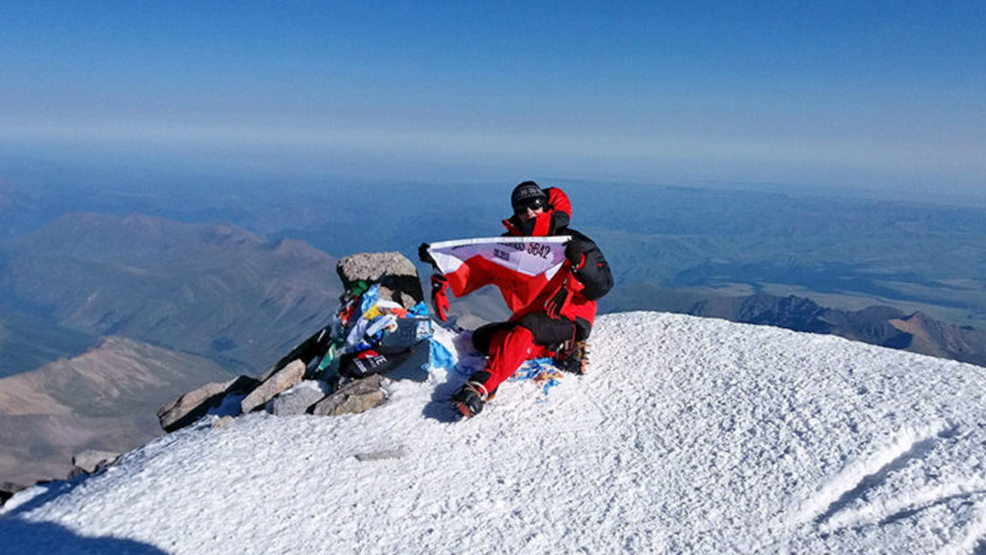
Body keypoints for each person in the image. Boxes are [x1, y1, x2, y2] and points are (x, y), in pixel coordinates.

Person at [421, 181, 613, 417]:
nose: (529, 213)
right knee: (483, 339)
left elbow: (602, 285)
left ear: (546, 205)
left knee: (522, 332)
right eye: (522, 209)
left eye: (535, 205)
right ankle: (556, 351)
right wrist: (441, 263)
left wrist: (582, 264)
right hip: (532, 317)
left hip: (570, 317)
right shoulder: (512, 246)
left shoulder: (572, 241)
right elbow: (481, 266)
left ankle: (483, 386)